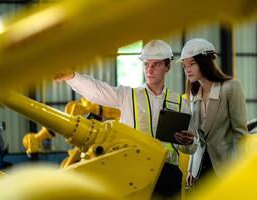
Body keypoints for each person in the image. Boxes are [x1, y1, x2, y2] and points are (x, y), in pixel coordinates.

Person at [54, 39, 196, 198]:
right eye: (146, 64)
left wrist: (189, 142)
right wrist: (72, 77)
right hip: (134, 171)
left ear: (167, 66)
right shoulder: (128, 95)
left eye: (155, 65)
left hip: (168, 174)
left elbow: (191, 146)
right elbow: (97, 91)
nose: (149, 70)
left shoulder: (179, 102)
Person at [177, 38, 248, 188]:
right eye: (184, 66)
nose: (187, 70)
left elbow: (240, 134)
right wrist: (191, 169)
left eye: (192, 64)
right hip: (199, 170)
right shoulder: (193, 95)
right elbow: (197, 138)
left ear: (205, 62)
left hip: (225, 168)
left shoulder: (231, 87)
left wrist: (237, 170)